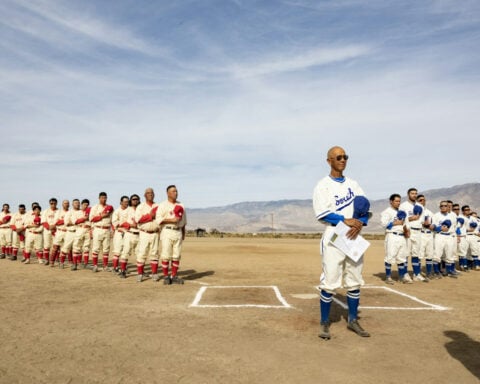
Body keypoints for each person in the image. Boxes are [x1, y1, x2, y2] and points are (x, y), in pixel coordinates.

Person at [312, 146, 370, 340]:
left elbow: (364, 206)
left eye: (345, 157)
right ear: (329, 160)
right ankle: (324, 322)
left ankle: (353, 320)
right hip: (334, 235)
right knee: (330, 280)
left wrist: (360, 222)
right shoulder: (323, 185)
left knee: (354, 278)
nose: (342, 160)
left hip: (353, 235)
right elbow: (322, 213)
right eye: (338, 157)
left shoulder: (353, 184)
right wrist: (344, 220)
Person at [157, 185, 187, 285]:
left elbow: (184, 221)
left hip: (178, 231)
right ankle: (166, 276)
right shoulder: (162, 205)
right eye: (173, 191)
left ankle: (173, 276)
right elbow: (158, 220)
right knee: (166, 255)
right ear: (168, 193)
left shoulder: (181, 205)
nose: (176, 193)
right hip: (167, 231)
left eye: (176, 191)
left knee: (176, 255)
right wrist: (171, 220)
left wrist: (183, 232)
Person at [380, 194, 410, 284]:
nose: (398, 203)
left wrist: (406, 231)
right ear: (391, 201)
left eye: (399, 201)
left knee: (402, 257)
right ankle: (388, 277)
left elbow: (405, 224)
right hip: (392, 235)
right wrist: (395, 223)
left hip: (402, 236)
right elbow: (383, 224)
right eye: (396, 201)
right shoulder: (387, 212)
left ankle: (401, 277)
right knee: (390, 256)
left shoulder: (402, 212)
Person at [135, 188, 161, 283]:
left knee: (154, 254)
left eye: (152, 193)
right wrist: (150, 216)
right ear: (145, 195)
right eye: (148, 193)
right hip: (144, 232)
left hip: (155, 232)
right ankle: (140, 274)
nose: (150, 194)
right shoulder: (140, 207)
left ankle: (154, 273)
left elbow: (161, 218)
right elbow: (138, 219)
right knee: (142, 253)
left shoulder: (158, 206)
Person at [399, 188, 425, 282]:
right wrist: (411, 219)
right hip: (409, 231)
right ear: (408, 194)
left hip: (418, 232)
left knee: (416, 254)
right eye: (412, 193)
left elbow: (421, 220)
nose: (414, 195)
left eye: (415, 193)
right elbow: (401, 219)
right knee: (406, 253)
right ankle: (404, 274)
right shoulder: (403, 206)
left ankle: (416, 274)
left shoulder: (420, 206)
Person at [89, 192, 114, 272]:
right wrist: (101, 216)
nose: (104, 199)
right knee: (96, 248)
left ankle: (105, 266)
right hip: (98, 229)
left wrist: (112, 230)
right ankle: (95, 265)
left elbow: (112, 220)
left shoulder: (109, 208)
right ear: (99, 198)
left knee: (106, 249)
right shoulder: (95, 207)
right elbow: (92, 219)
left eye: (105, 197)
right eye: (102, 197)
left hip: (107, 229)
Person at [432, 201, 457, 278]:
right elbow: (433, 227)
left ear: (448, 207)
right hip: (440, 235)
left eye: (445, 206)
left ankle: (449, 271)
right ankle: (436, 272)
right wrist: (441, 228)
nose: (443, 207)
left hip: (449, 236)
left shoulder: (452, 216)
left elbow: (455, 226)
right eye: (442, 206)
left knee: (449, 255)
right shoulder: (436, 215)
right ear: (440, 207)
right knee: (437, 254)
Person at [119, 194, 141, 279]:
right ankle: (123, 270)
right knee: (125, 253)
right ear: (130, 201)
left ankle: (140, 272)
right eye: (133, 199)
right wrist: (131, 225)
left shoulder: (141, 209)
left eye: (137, 199)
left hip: (139, 234)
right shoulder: (126, 210)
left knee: (140, 254)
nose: (135, 200)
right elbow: (122, 222)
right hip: (130, 233)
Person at [417, 195, 435, 278]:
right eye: (420, 200)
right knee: (419, 255)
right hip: (421, 234)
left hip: (429, 234)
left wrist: (432, 226)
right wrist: (423, 223)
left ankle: (428, 273)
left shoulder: (430, 212)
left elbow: (433, 223)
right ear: (417, 201)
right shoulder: (416, 211)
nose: (422, 201)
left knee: (429, 254)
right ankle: (418, 273)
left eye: (424, 200)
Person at [111, 196, 130, 274]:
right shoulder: (117, 211)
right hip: (119, 233)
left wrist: (125, 224)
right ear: (121, 202)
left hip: (128, 233)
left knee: (125, 251)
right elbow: (115, 222)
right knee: (117, 251)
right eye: (125, 201)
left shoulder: (130, 210)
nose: (126, 203)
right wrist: (124, 224)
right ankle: (115, 267)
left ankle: (123, 268)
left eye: (127, 201)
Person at [71, 199, 91, 270]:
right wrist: (84, 218)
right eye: (84, 204)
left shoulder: (90, 212)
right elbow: (75, 221)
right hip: (80, 229)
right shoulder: (77, 212)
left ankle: (86, 263)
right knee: (76, 246)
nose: (86, 206)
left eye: (87, 205)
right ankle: (74, 264)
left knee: (86, 247)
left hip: (88, 230)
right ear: (81, 205)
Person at [50, 200, 70, 267]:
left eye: (67, 203)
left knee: (67, 248)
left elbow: (73, 222)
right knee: (55, 247)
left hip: (68, 232)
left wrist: (64, 221)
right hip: (60, 231)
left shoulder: (71, 212)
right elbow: (56, 222)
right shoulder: (58, 212)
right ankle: (52, 261)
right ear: (62, 204)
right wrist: (66, 221)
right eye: (65, 203)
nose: (66, 205)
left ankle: (63, 262)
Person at [41, 198, 58, 265]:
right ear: (49, 204)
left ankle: (55, 259)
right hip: (47, 230)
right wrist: (49, 227)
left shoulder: (59, 211)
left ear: (56, 203)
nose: (53, 205)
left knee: (56, 245)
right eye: (51, 203)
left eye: (54, 203)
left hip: (56, 230)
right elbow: (43, 221)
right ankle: (46, 259)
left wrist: (54, 226)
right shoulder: (46, 211)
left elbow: (60, 220)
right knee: (47, 245)